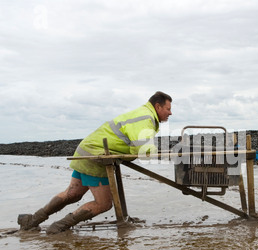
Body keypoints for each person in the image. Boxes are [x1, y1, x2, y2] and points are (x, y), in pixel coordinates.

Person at [17, 91, 173, 234]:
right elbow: (144, 149)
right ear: (157, 106)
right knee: (103, 204)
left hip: (87, 150)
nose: (170, 113)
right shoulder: (145, 118)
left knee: (72, 194)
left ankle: (31, 220)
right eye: (168, 109)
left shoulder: (142, 114)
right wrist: (167, 154)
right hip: (95, 157)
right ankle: (58, 228)